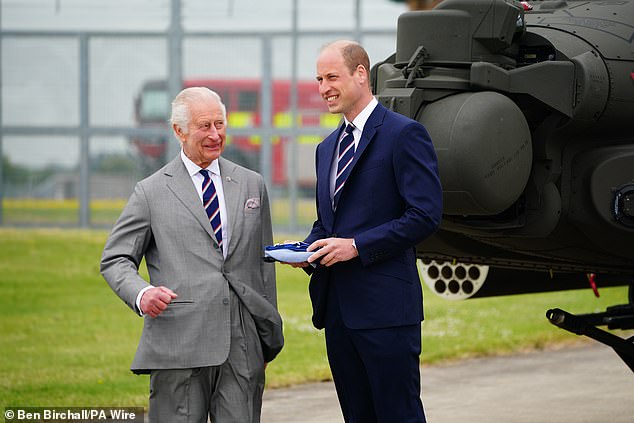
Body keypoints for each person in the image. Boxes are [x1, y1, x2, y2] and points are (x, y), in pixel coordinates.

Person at [100, 87, 283, 423]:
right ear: (179, 131)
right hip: (178, 343)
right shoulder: (150, 192)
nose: (215, 134)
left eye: (219, 124)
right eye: (204, 127)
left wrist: (266, 337)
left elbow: (263, 264)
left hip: (242, 344)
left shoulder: (251, 184)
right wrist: (142, 294)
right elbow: (115, 259)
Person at [289, 40, 442, 422]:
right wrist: (304, 249)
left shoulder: (404, 135)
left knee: (398, 415)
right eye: (319, 79)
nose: (323, 87)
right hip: (338, 311)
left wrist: (356, 246)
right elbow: (329, 224)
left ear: (361, 74)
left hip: (387, 312)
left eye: (331, 77)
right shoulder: (326, 148)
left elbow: (425, 214)